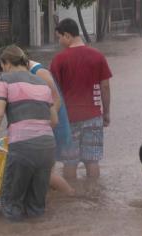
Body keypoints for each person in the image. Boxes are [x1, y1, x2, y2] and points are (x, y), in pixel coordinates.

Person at [0, 45, 57, 221]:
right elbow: (54, 120)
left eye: (2, 66)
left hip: (23, 148)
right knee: (37, 206)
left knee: (11, 204)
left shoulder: (5, 80)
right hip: (48, 147)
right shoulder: (42, 82)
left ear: (5, 63)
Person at [0, 47, 75, 196]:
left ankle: (70, 194)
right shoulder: (22, 72)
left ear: (9, 62)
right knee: (41, 171)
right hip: (40, 124)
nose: (4, 72)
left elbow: (57, 100)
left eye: (3, 67)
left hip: (49, 122)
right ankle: (52, 200)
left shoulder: (38, 72)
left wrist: (38, 123)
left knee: (47, 172)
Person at [50, 18, 112, 179]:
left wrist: (51, 118)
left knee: (70, 161)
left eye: (59, 37)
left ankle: (71, 199)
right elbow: (105, 87)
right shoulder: (98, 56)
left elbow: (52, 91)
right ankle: (93, 195)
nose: (59, 41)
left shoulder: (59, 60)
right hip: (93, 116)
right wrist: (106, 113)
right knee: (92, 160)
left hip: (68, 119)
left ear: (67, 35)